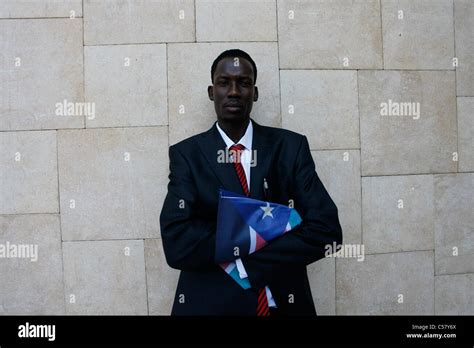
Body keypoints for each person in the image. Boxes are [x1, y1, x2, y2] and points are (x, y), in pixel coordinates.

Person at [159, 49, 342, 316]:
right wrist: (270, 231)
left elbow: (327, 230)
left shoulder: (290, 147)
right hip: (213, 307)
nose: (234, 91)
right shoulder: (187, 155)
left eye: (244, 83)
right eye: (224, 82)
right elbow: (177, 243)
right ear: (212, 92)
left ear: (254, 93)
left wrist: (247, 262)